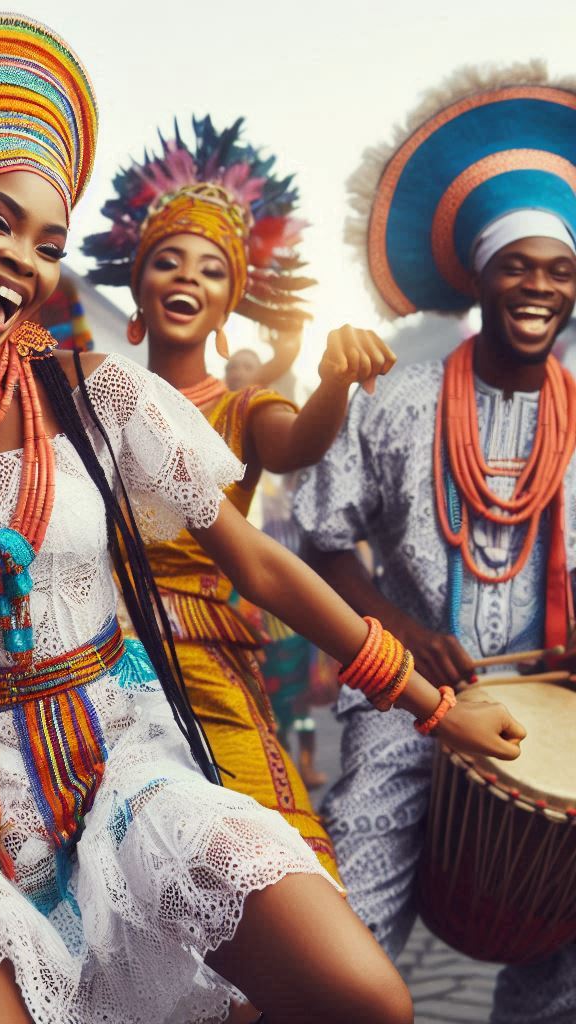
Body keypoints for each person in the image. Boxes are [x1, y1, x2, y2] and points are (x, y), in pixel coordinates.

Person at [0, 17, 522, 1024]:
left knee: (363, 998)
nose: (23, 261)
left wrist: (430, 706)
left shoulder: (97, 395)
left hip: (127, 760)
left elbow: (256, 562)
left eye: (46, 242)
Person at [293, 64, 576, 1023]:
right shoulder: (396, 399)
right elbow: (321, 547)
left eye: (559, 269)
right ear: (481, 277)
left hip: (554, 701)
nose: (538, 287)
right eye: (517, 265)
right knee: (352, 927)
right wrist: (404, 635)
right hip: (405, 699)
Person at [82, 115, 396, 876]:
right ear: (138, 289)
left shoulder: (244, 409)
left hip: (205, 664)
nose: (188, 277)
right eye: (168, 261)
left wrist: (332, 381)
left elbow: (299, 445)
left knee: (267, 862)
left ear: (227, 310)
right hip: (87, 665)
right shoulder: (84, 392)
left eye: (211, 270)